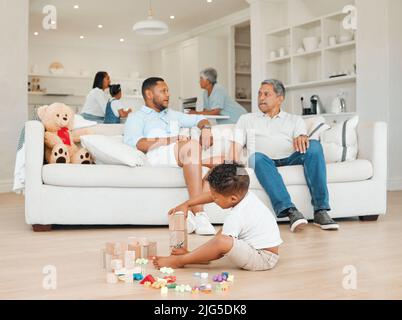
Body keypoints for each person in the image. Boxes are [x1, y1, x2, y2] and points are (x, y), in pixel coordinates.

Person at [230, 79, 339, 232]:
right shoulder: (246, 119)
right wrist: (232, 170)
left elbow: (302, 140)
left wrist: (303, 137)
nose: (261, 98)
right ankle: (291, 211)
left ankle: (321, 211)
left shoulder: (295, 120)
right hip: (264, 161)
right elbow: (235, 148)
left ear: (280, 98)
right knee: (255, 157)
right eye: (259, 94)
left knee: (314, 146)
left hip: (290, 159)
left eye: (266, 94)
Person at [124, 77, 223, 236]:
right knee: (191, 146)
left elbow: (200, 119)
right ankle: (199, 213)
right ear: (149, 94)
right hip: (158, 154)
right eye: (163, 91)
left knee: (223, 162)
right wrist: (170, 140)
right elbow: (138, 143)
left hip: (181, 153)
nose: (168, 94)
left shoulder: (172, 114)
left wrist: (205, 129)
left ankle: (188, 212)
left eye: (168, 90)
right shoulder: (136, 118)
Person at [153, 163, 282, 271]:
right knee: (224, 234)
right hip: (257, 249)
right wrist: (186, 204)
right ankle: (197, 256)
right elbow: (210, 195)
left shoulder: (237, 215)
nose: (213, 199)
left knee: (222, 240)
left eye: (215, 198)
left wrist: (186, 258)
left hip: (262, 258)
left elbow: (220, 249)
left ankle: (180, 261)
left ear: (232, 199)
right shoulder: (243, 192)